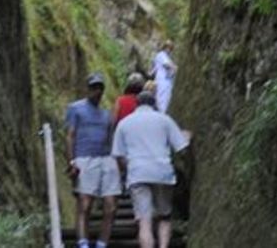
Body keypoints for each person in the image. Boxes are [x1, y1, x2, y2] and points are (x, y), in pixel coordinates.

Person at [111, 90, 190, 248]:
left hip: (137, 174)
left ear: (137, 105)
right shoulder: (164, 120)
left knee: (144, 222)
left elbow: (118, 155)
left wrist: (128, 169)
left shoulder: (124, 123)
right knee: (164, 217)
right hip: (162, 173)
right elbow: (182, 148)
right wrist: (187, 139)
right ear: (154, 104)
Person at [65, 72, 119, 248]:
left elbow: (111, 140)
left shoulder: (106, 115)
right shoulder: (75, 109)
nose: (97, 91)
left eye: (100, 88)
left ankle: (102, 244)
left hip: (106, 159)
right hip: (84, 158)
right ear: (87, 89)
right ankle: (83, 244)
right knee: (85, 204)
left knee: (111, 206)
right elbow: (70, 135)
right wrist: (71, 162)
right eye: (94, 87)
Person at [151, 41, 177, 114]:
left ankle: (163, 112)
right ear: (165, 47)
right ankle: (161, 113)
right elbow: (167, 65)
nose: (169, 50)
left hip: (167, 81)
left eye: (171, 48)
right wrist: (176, 68)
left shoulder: (167, 57)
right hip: (162, 81)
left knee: (166, 98)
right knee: (162, 98)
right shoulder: (161, 55)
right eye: (168, 47)